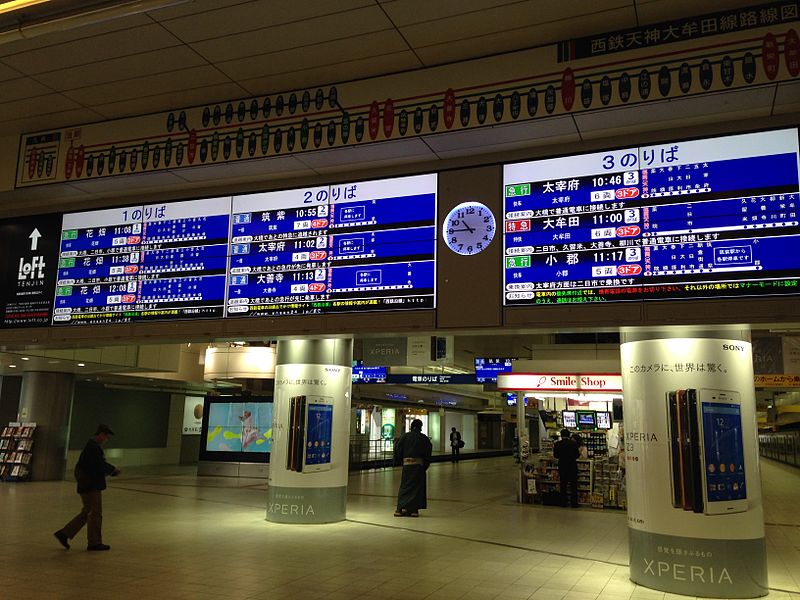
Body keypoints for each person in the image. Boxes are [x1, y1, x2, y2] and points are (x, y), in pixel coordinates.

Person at [54, 424, 120, 551]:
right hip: (91, 485)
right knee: (95, 513)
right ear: (101, 434)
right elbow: (98, 465)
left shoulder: (91, 446)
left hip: (86, 484)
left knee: (87, 511)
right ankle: (94, 542)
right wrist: (113, 470)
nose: (106, 440)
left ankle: (64, 534)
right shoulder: (94, 448)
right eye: (106, 437)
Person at [393, 419, 432, 517]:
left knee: (405, 486)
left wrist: (400, 461)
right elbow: (428, 453)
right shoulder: (424, 438)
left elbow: (397, 449)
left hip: (407, 465)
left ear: (411, 426)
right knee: (417, 488)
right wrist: (425, 465)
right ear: (420, 427)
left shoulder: (404, 436)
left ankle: (400, 508)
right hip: (418, 466)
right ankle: (414, 510)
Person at [553, 428, 579, 508]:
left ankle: (563, 503)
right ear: (569, 435)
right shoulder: (573, 444)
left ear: (561, 435)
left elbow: (555, 455)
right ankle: (574, 503)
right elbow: (577, 455)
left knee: (563, 485)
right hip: (572, 466)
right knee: (573, 485)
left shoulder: (557, 444)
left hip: (562, 466)